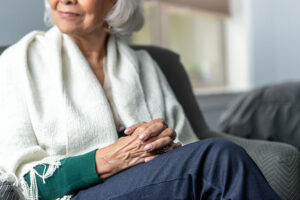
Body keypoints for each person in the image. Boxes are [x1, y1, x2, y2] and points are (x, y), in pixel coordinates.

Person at [0, 0, 280, 199]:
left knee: (218, 159)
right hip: (73, 195)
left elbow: (185, 144)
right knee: (220, 158)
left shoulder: (143, 64)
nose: (66, 0)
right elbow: (22, 181)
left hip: (146, 182)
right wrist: (109, 159)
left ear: (115, 4)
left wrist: (161, 143)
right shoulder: (18, 62)